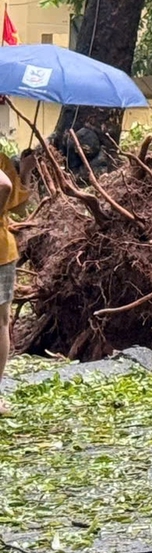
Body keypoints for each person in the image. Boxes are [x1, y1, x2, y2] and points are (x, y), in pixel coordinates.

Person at [0, 146, 28, 404]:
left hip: (2, 251)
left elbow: (16, 202)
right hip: (3, 250)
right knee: (1, 322)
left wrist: (26, 172)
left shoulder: (2, 160)